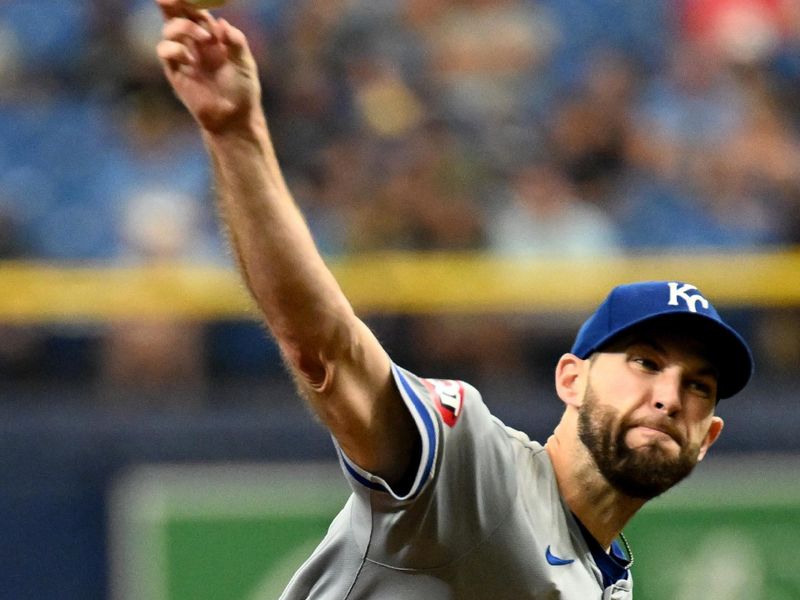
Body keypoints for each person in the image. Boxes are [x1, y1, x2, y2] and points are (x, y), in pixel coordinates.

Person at [153, 2, 754, 597]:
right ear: (571, 379)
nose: (670, 397)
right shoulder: (475, 471)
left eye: (699, 386)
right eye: (645, 362)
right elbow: (325, 348)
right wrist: (237, 134)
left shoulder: (608, 582)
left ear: (709, 438)